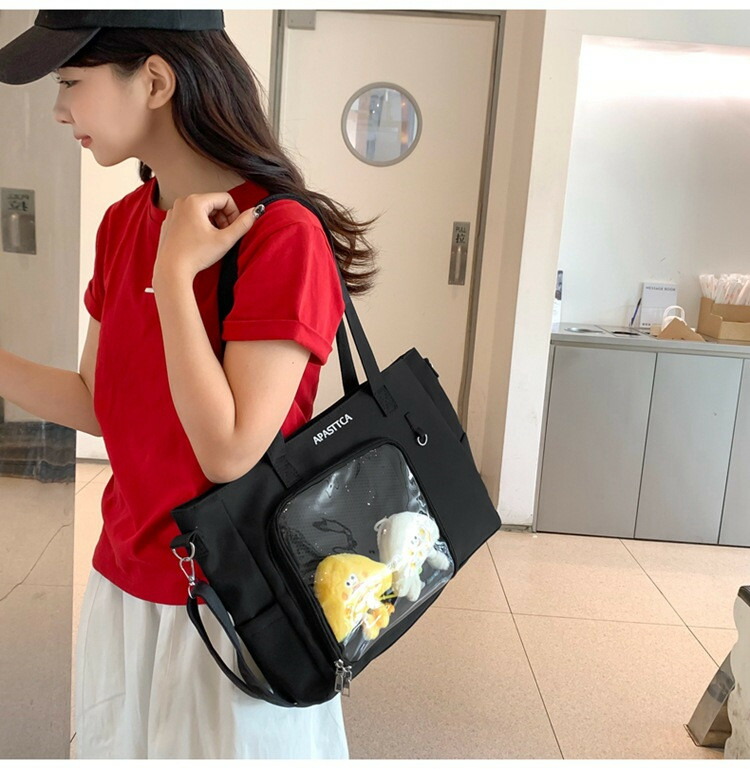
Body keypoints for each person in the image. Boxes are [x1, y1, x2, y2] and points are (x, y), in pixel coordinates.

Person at [0, 9, 378, 760]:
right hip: (123, 580)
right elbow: (97, 401)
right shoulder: (121, 224)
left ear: (154, 80)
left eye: (71, 81)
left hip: (236, 603)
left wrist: (174, 274)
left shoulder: (282, 235)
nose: (60, 108)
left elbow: (229, 451)